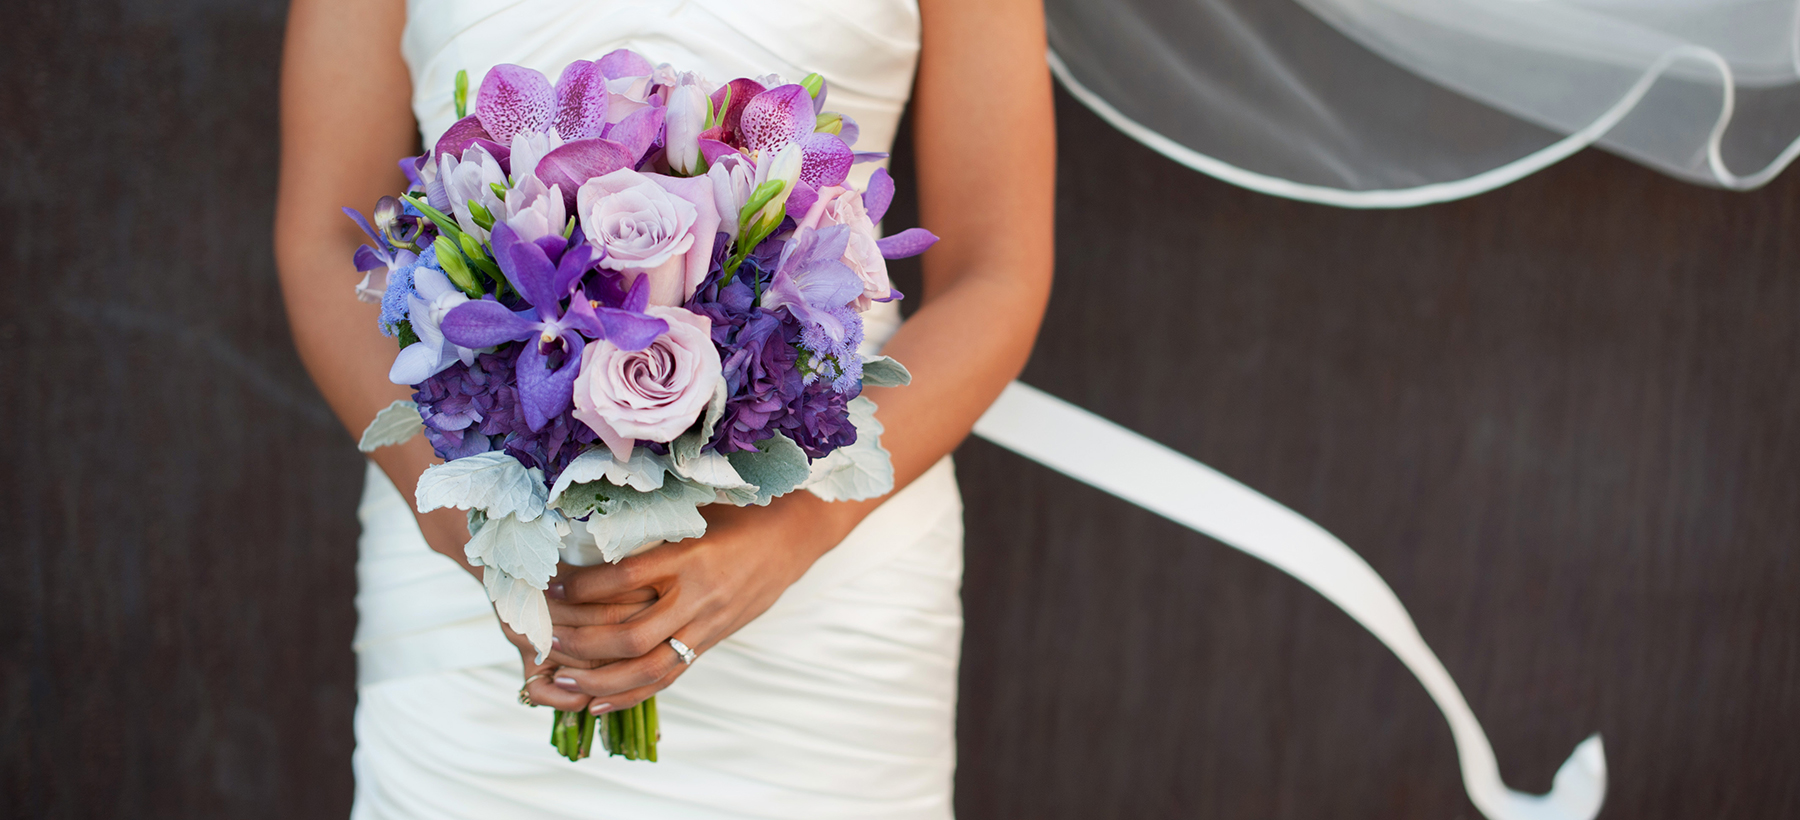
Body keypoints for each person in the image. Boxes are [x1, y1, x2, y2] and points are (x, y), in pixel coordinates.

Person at [275, 0, 1053, 816]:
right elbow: (323, 243)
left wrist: (794, 533)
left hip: (824, 579)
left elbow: (996, 272)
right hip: (473, 579)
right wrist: (482, 539)